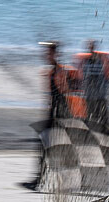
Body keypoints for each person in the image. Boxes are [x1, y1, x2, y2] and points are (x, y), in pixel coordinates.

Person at [21, 41, 73, 191]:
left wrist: (60, 117)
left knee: (50, 148)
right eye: (46, 52)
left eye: (48, 52)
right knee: (47, 148)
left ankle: (42, 181)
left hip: (58, 115)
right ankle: (40, 180)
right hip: (53, 114)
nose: (45, 55)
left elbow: (64, 95)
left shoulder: (59, 71)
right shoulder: (53, 71)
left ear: (55, 54)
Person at [75, 40, 109, 130]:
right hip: (91, 96)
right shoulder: (86, 61)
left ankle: (103, 131)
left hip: (99, 96)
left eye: (92, 47)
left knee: (102, 119)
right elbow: (81, 77)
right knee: (92, 118)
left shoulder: (101, 61)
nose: (91, 49)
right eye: (90, 47)